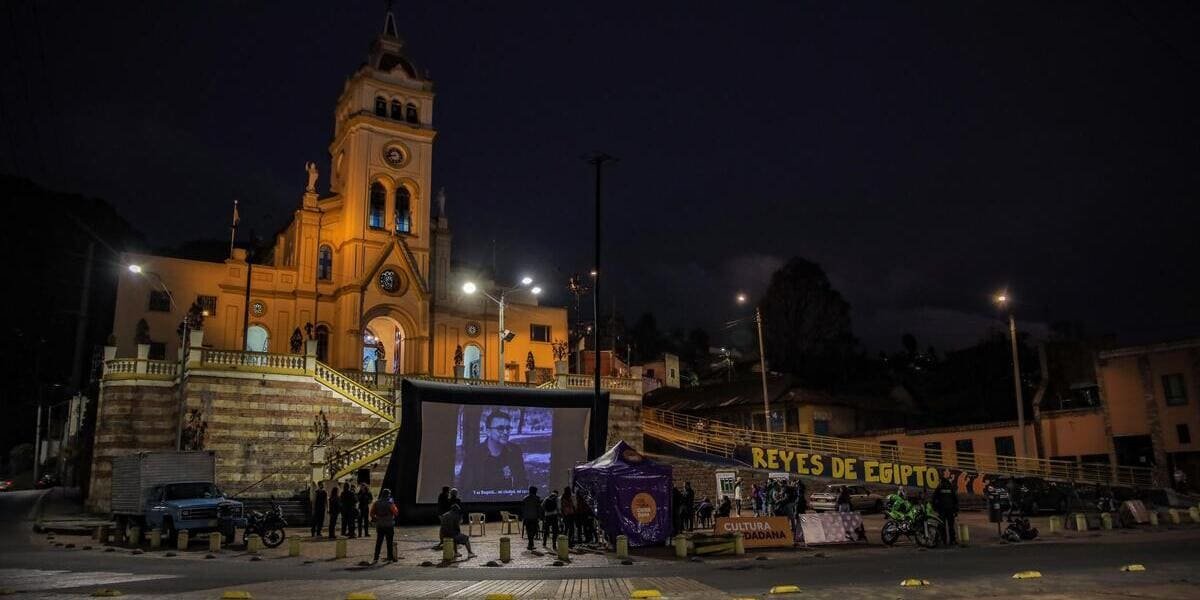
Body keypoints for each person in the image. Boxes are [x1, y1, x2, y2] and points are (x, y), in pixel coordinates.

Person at [458, 411, 528, 497]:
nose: (506, 432)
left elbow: (522, 482)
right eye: (500, 428)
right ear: (488, 431)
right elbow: (465, 491)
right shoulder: (473, 455)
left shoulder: (515, 451)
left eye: (508, 428)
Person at [370, 488, 398, 563]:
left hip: (380, 525)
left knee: (379, 542)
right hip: (389, 525)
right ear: (388, 495)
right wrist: (393, 504)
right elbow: (395, 512)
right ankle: (389, 558)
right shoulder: (390, 503)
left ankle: (376, 558)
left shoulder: (376, 502)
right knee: (389, 542)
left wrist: (377, 518)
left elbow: (371, 513)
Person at [932, 476, 959, 545]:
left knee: (941, 525)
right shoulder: (950, 487)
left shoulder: (939, 487)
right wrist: (956, 511)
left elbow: (934, 498)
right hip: (950, 509)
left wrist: (935, 508)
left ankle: (943, 540)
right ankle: (952, 540)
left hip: (942, 510)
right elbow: (955, 500)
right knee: (951, 526)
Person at [521, 486, 542, 551]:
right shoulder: (537, 499)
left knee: (528, 530)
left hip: (527, 517)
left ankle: (530, 544)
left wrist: (523, 517)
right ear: (535, 491)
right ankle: (530, 544)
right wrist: (540, 517)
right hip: (534, 517)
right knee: (534, 530)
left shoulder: (525, 498)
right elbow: (539, 509)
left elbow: (522, 509)